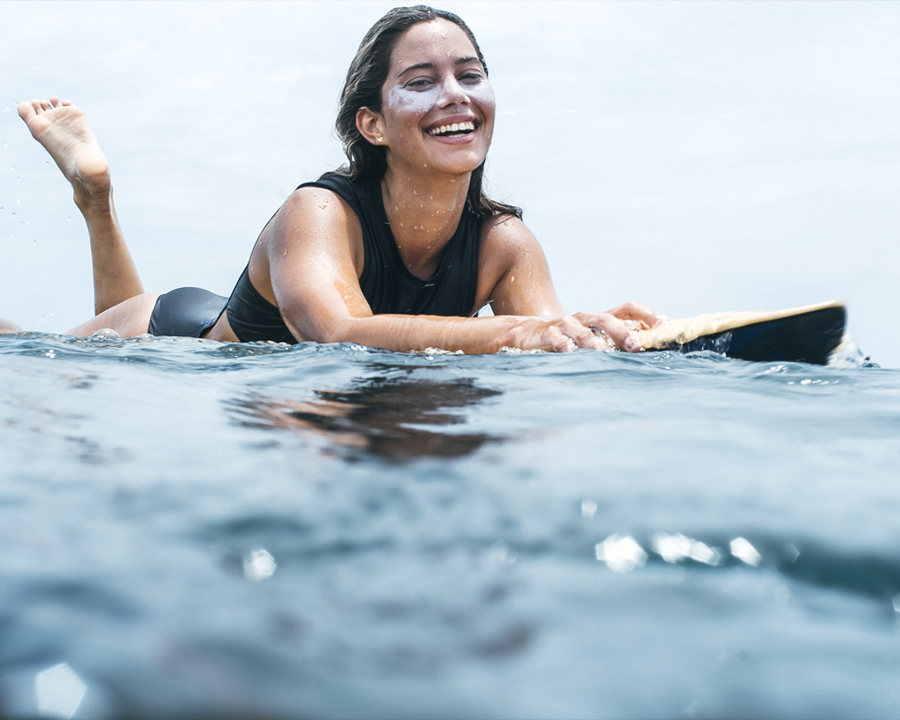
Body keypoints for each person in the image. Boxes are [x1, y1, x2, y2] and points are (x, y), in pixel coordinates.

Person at [2, 5, 664, 353]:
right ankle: (96, 196)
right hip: (179, 330)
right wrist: (517, 333)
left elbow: (547, 347)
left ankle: (95, 200)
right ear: (372, 125)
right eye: (421, 81)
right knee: (49, 352)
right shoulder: (317, 213)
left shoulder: (504, 240)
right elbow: (339, 333)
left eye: (470, 74)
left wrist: (596, 332)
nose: (456, 94)